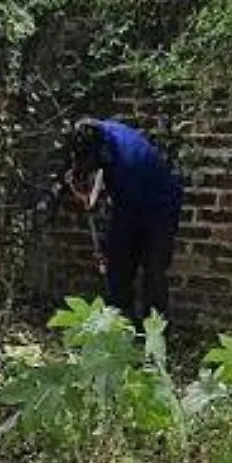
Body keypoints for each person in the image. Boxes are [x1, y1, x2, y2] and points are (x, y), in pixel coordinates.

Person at [67, 118, 184, 329]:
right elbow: (102, 170)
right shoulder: (102, 132)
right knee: (118, 268)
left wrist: (105, 246)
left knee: (152, 270)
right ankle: (119, 328)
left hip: (160, 208)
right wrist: (92, 197)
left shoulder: (128, 163)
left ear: (100, 151)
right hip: (134, 200)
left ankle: (154, 335)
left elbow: (125, 214)